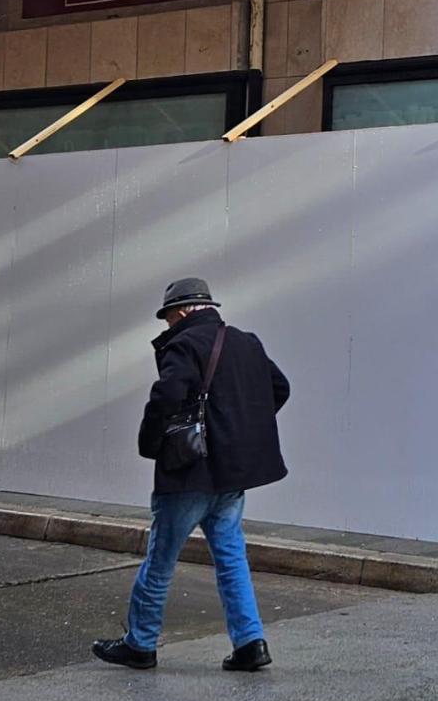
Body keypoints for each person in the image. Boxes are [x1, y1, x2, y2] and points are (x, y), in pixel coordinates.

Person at [93, 277, 291, 673]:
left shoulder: (183, 345)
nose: (166, 326)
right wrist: (237, 430)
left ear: (181, 311)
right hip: (232, 478)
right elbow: (279, 388)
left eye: (168, 317)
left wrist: (150, 445)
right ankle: (251, 643)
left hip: (188, 474)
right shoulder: (247, 342)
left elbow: (165, 397)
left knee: (161, 560)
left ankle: (140, 644)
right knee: (232, 558)